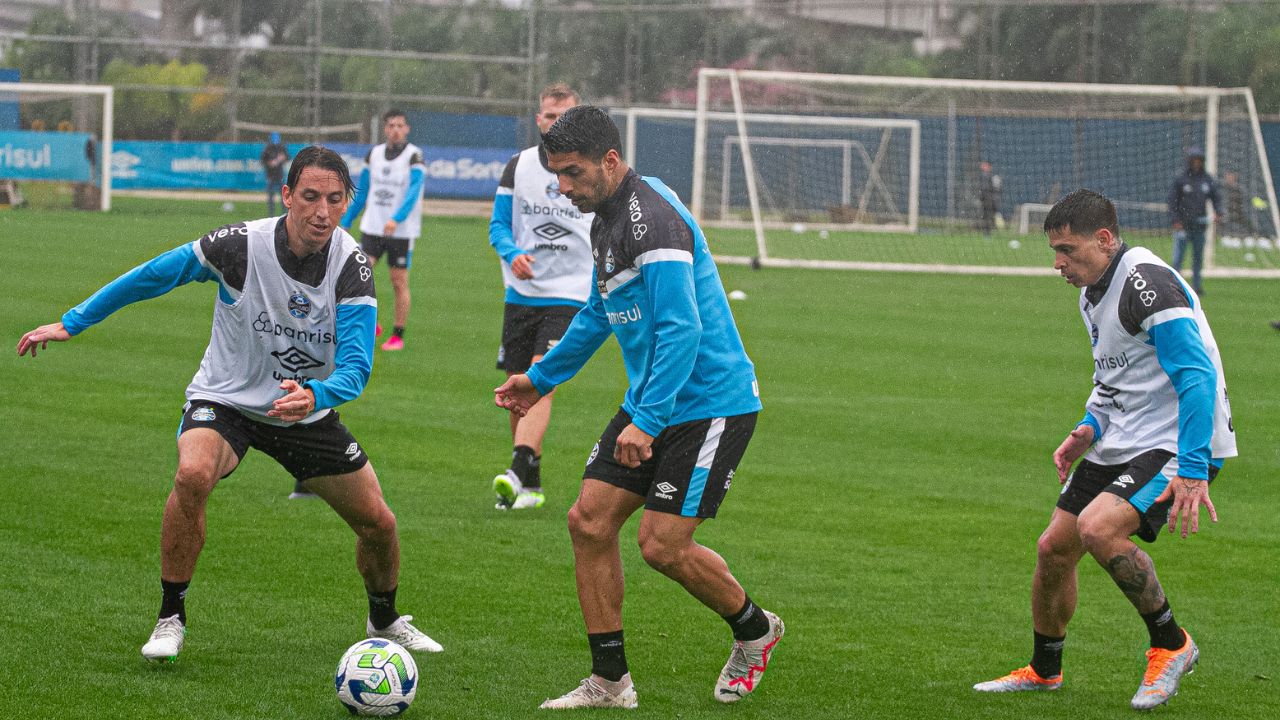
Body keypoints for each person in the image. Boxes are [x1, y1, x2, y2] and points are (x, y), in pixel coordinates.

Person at [16, 145, 443, 663]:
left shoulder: (352, 267)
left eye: (334, 199)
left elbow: (356, 370)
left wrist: (315, 395)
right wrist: (74, 320)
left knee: (379, 524)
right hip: (227, 399)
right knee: (192, 474)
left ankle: (385, 618)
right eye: (309, 197)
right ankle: (171, 615)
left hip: (302, 409)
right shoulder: (239, 245)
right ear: (287, 195)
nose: (321, 212)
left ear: (347, 202)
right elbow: (156, 274)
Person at [494, 106, 783, 709]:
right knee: (588, 522)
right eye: (556, 176)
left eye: (572, 174)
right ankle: (609, 681)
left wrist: (646, 422)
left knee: (662, 546)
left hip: (711, 404)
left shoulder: (652, 220)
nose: (564, 189)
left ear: (610, 160)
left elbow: (683, 330)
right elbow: (600, 312)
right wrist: (539, 379)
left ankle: (755, 631)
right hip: (653, 396)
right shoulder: (604, 218)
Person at [974, 189, 1236, 711]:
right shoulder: (1093, 289)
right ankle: (1044, 671)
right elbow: (1116, 374)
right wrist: (1089, 425)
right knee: (1054, 549)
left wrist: (1192, 467)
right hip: (1125, 435)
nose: (1058, 263)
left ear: (1105, 239)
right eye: (1055, 251)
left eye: (1068, 250)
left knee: (1099, 528)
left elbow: (1197, 377)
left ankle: (1172, 644)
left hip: (1176, 439)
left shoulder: (1147, 285)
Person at [487, 83, 593, 511]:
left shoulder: (590, 169)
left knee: (539, 384)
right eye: (550, 117)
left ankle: (515, 467)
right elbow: (498, 226)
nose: (556, 124)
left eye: (564, 117)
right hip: (522, 295)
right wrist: (513, 255)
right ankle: (530, 485)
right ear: (538, 119)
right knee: (516, 391)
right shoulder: (519, 166)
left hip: (571, 293)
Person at [341, 109, 426, 354]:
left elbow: (414, 192)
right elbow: (363, 190)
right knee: (358, 274)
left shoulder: (414, 157)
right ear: (385, 128)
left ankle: (397, 334)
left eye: (400, 125)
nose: (396, 129)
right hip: (373, 227)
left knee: (398, 282)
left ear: (407, 128)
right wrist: (347, 220)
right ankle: (371, 322)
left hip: (400, 232)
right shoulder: (374, 154)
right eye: (391, 125)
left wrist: (396, 218)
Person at [1167, 147, 1222, 295]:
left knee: (1198, 258)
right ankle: (1174, 286)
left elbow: (1216, 197)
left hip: (1199, 225)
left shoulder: (1206, 179)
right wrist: (1175, 220)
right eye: (1194, 160)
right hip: (1183, 225)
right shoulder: (1181, 179)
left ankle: (1196, 286)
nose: (1196, 163)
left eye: (1199, 160)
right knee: (1178, 258)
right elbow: (1172, 201)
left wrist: (1218, 211)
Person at [260, 132, 289, 215]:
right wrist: (270, 163)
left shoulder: (281, 148)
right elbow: (263, 160)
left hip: (280, 175)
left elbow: (287, 157)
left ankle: (284, 213)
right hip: (270, 175)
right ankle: (271, 214)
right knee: (271, 195)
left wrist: (283, 158)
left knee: (283, 194)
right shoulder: (267, 149)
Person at [978, 160, 1002, 236]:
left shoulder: (993, 176)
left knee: (990, 216)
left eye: (984, 165)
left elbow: (997, 189)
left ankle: (988, 232)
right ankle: (987, 232)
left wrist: (994, 199)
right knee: (985, 217)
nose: (982, 167)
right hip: (985, 201)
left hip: (991, 201)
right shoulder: (982, 176)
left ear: (989, 166)